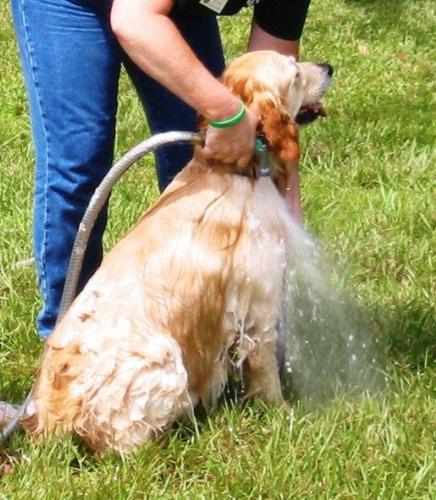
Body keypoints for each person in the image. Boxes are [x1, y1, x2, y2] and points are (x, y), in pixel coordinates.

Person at [11, 0, 312, 338]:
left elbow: (271, 93)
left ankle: (203, 332)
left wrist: (284, 188)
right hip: (75, 5)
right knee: (80, 163)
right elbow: (133, 21)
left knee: (209, 157)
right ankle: (71, 347)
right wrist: (225, 111)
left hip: (174, 10)